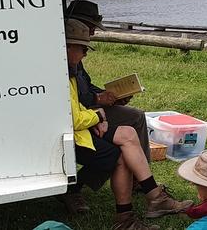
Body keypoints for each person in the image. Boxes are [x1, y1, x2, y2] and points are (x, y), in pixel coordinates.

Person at [63, 19, 191, 230]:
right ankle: (136, 211)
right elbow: (74, 116)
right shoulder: (65, 73)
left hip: (79, 129)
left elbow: (76, 103)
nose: (86, 53)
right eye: (82, 48)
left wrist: (98, 112)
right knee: (121, 151)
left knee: (129, 132)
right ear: (67, 46)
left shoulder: (70, 68)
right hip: (74, 133)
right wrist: (98, 116)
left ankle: (150, 199)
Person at [62, 0, 155, 213]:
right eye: (90, 28)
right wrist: (98, 105)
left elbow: (84, 88)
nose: (92, 33)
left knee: (135, 117)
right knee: (122, 139)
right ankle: (77, 189)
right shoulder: (69, 62)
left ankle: (141, 179)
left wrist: (108, 96)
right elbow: (78, 100)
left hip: (89, 110)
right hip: (86, 113)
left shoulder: (73, 58)